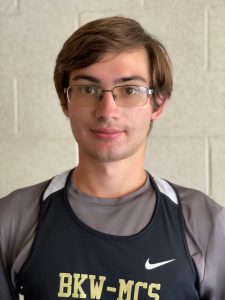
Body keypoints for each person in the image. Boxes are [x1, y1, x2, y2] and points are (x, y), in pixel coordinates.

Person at [0, 16, 225, 300]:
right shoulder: (12, 219)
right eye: (88, 89)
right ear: (64, 101)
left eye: (130, 90)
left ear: (158, 103)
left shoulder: (206, 225)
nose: (107, 110)